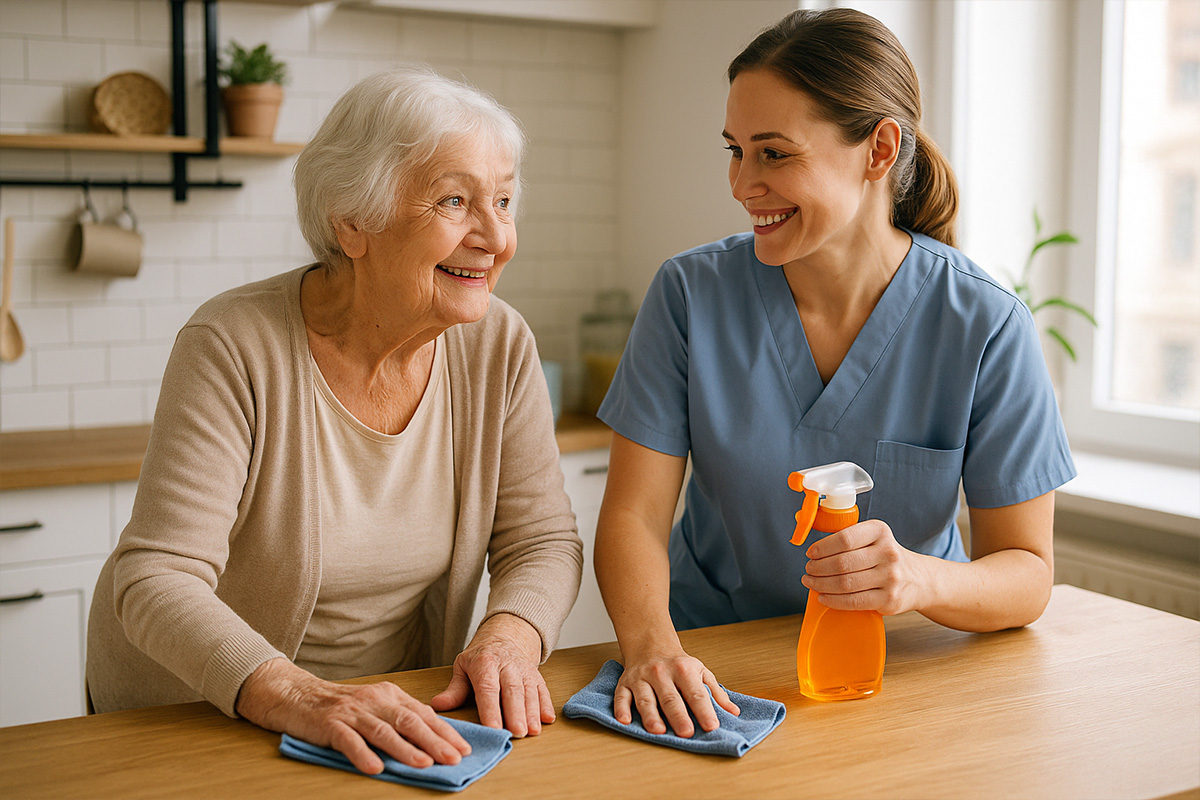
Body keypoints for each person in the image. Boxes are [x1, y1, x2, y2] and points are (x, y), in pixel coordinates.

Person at [593, 8, 1075, 739]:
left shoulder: (984, 324)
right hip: (709, 677)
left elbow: (1026, 573)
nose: (742, 183)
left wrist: (918, 578)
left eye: (775, 154)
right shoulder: (690, 294)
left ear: (879, 149)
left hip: (899, 678)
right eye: (735, 150)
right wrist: (653, 651)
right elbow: (632, 516)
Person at [87, 69, 583, 775]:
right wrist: (296, 694)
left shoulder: (500, 345)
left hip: (385, 716)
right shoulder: (233, 342)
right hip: (191, 714)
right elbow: (157, 577)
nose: (497, 237)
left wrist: (509, 638)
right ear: (353, 221)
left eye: (503, 200)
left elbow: (542, 539)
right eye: (454, 200)